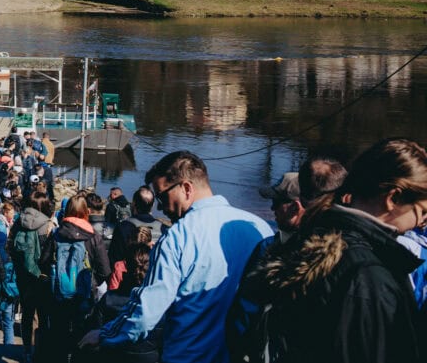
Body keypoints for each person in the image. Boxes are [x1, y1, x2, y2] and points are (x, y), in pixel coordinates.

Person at [231, 139, 424, 363]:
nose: (423, 222)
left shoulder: (309, 246)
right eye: (422, 211)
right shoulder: (368, 275)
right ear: (393, 198)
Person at [81, 150, 272, 362]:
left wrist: (104, 335)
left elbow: (146, 312)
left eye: (162, 196)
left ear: (187, 188)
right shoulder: (261, 230)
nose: (161, 206)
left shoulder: (177, 237)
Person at [40, 193, 112, 355]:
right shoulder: (93, 236)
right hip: (85, 295)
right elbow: (105, 270)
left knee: (59, 335)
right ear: (86, 212)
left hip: (58, 294)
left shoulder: (57, 234)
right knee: (82, 338)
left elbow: (43, 262)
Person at [10, 192, 52, 352]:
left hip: (23, 275)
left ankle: (27, 348)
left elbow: (10, 247)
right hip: (41, 275)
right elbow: (49, 253)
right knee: (42, 314)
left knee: (27, 312)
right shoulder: (47, 225)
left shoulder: (18, 221)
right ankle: (39, 350)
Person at [108, 186, 167, 267]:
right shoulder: (164, 229)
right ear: (153, 205)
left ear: (134, 203)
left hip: (129, 276)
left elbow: (114, 258)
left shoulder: (122, 227)